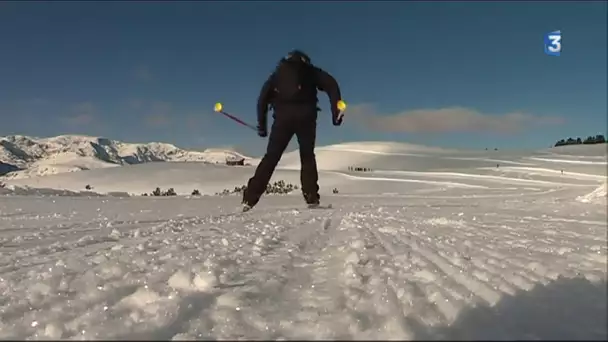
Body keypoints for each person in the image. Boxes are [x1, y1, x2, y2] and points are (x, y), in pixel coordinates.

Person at [241, 49, 344, 211]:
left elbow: (262, 99)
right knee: (307, 156)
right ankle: (311, 198)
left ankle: (249, 199)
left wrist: (262, 126)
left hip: (282, 120)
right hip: (306, 118)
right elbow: (331, 84)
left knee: (271, 158)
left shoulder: (277, 74)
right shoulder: (311, 71)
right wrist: (336, 112)